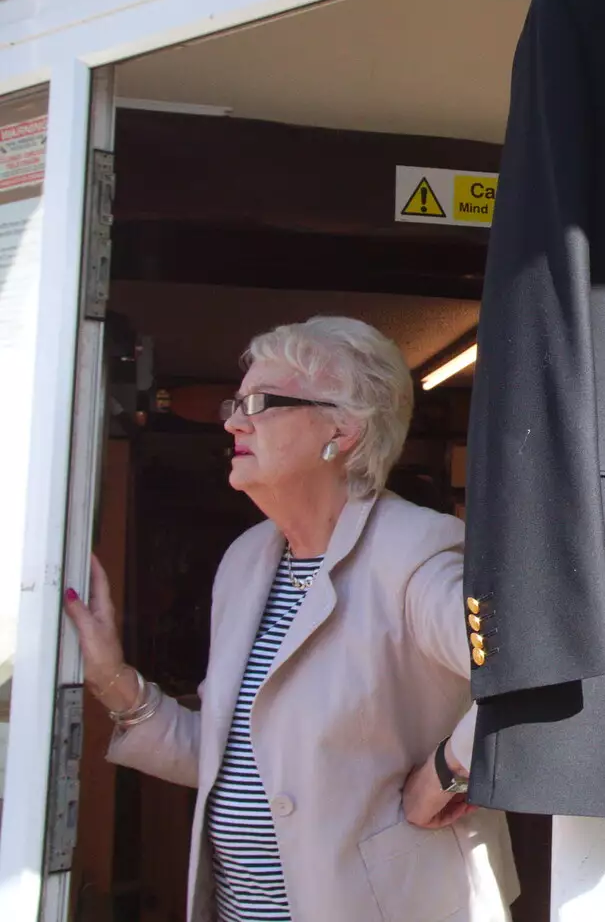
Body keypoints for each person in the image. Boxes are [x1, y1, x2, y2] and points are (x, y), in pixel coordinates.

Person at [65, 316, 517, 922]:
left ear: (344, 428)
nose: (232, 421)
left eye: (260, 402)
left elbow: (523, 665)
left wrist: (449, 772)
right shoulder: (249, 558)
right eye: (235, 403)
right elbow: (232, 757)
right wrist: (111, 677)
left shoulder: (418, 552)